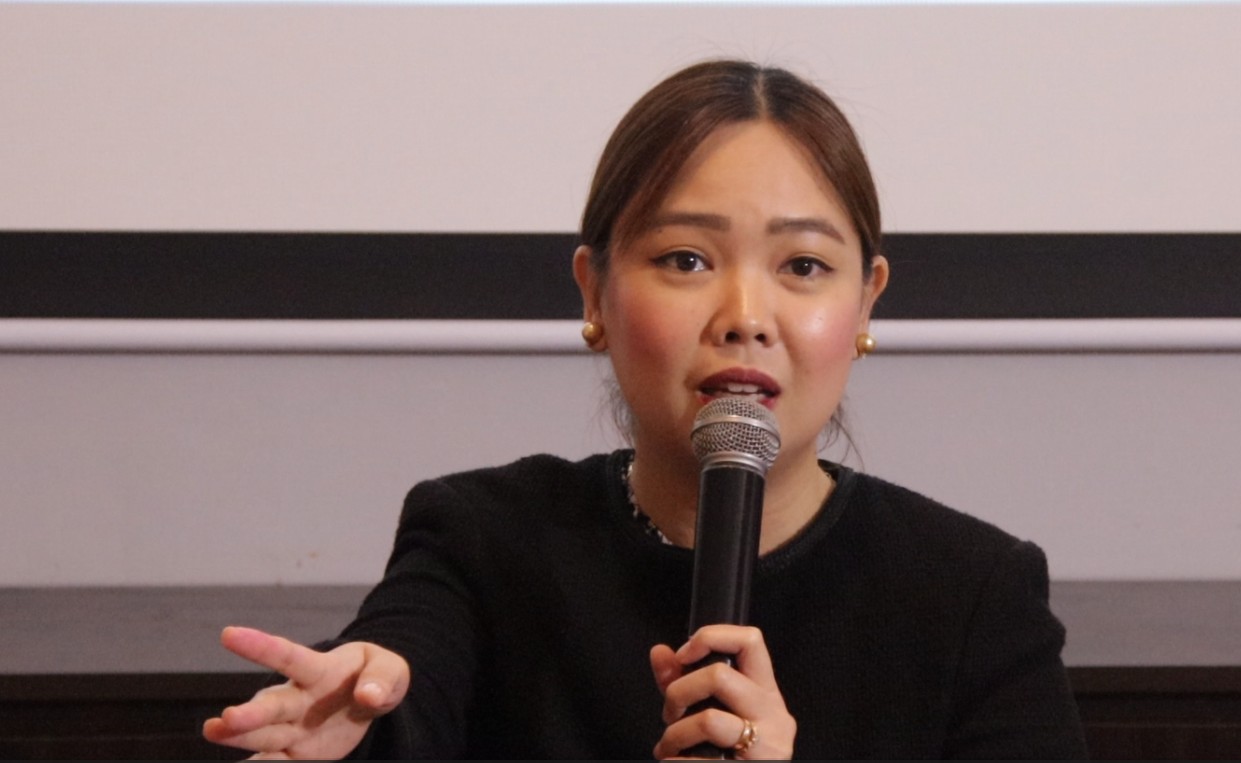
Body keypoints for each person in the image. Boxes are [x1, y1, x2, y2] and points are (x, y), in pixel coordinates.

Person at [202, 58, 1088, 760]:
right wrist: (364, 716)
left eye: (804, 266)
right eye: (686, 260)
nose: (745, 316)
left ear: (865, 304)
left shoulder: (975, 594)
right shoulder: (481, 538)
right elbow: (407, 672)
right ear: (594, 290)